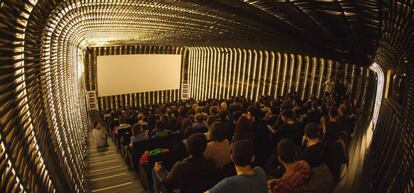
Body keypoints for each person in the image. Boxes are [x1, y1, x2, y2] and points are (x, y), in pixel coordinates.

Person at [153, 133, 217, 193]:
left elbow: (167, 184)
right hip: (201, 189)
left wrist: (159, 170)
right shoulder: (211, 162)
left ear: (188, 148)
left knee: (155, 170)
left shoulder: (181, 166)